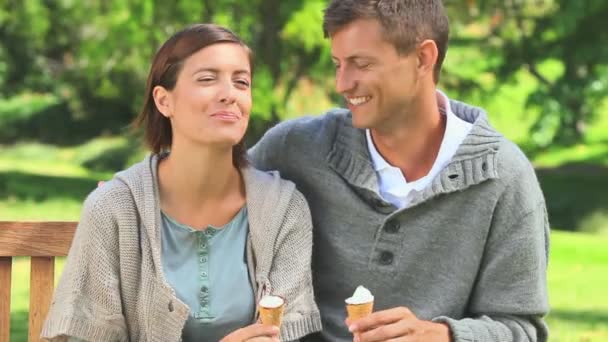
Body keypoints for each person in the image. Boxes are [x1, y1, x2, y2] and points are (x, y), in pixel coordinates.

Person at [249, 1, 549, 341]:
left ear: (423, 58)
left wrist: (444, 336)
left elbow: (522, 330)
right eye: (338, 64)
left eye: (361, 64)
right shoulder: (295, 148)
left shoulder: (504, 178)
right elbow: (197, 191)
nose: (343, 84)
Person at [42, 24, 321, 342]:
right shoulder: (115, 208)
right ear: (164, 101)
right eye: (207, 79)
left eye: (241, 82)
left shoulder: (283, 208)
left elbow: (285, 333)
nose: (229, 94)